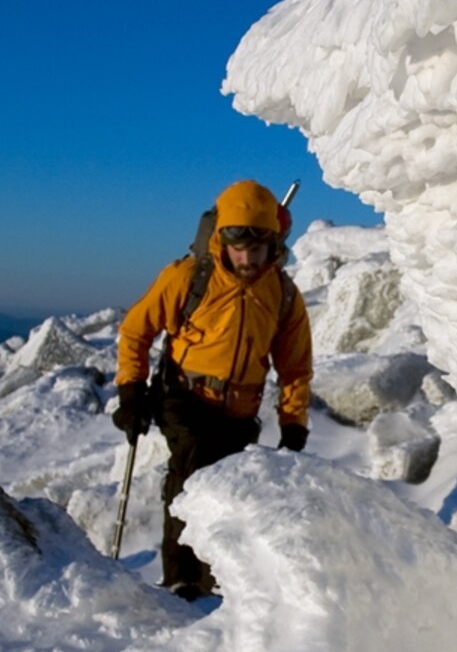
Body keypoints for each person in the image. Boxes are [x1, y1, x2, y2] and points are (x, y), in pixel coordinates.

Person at [112, 179, 313, 600]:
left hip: (239, 413)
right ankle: (185, 583)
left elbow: (295, 367)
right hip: (184, 398)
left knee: (229, 494)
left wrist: (293, 423)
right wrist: (131, 392)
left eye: (256, 249)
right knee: (193, 474)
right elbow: (136, 331)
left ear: (273, 245)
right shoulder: (189, 277)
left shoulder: (282, 294)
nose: (246, 258)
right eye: (238, 247)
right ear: (222, 238)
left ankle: (214, 585)